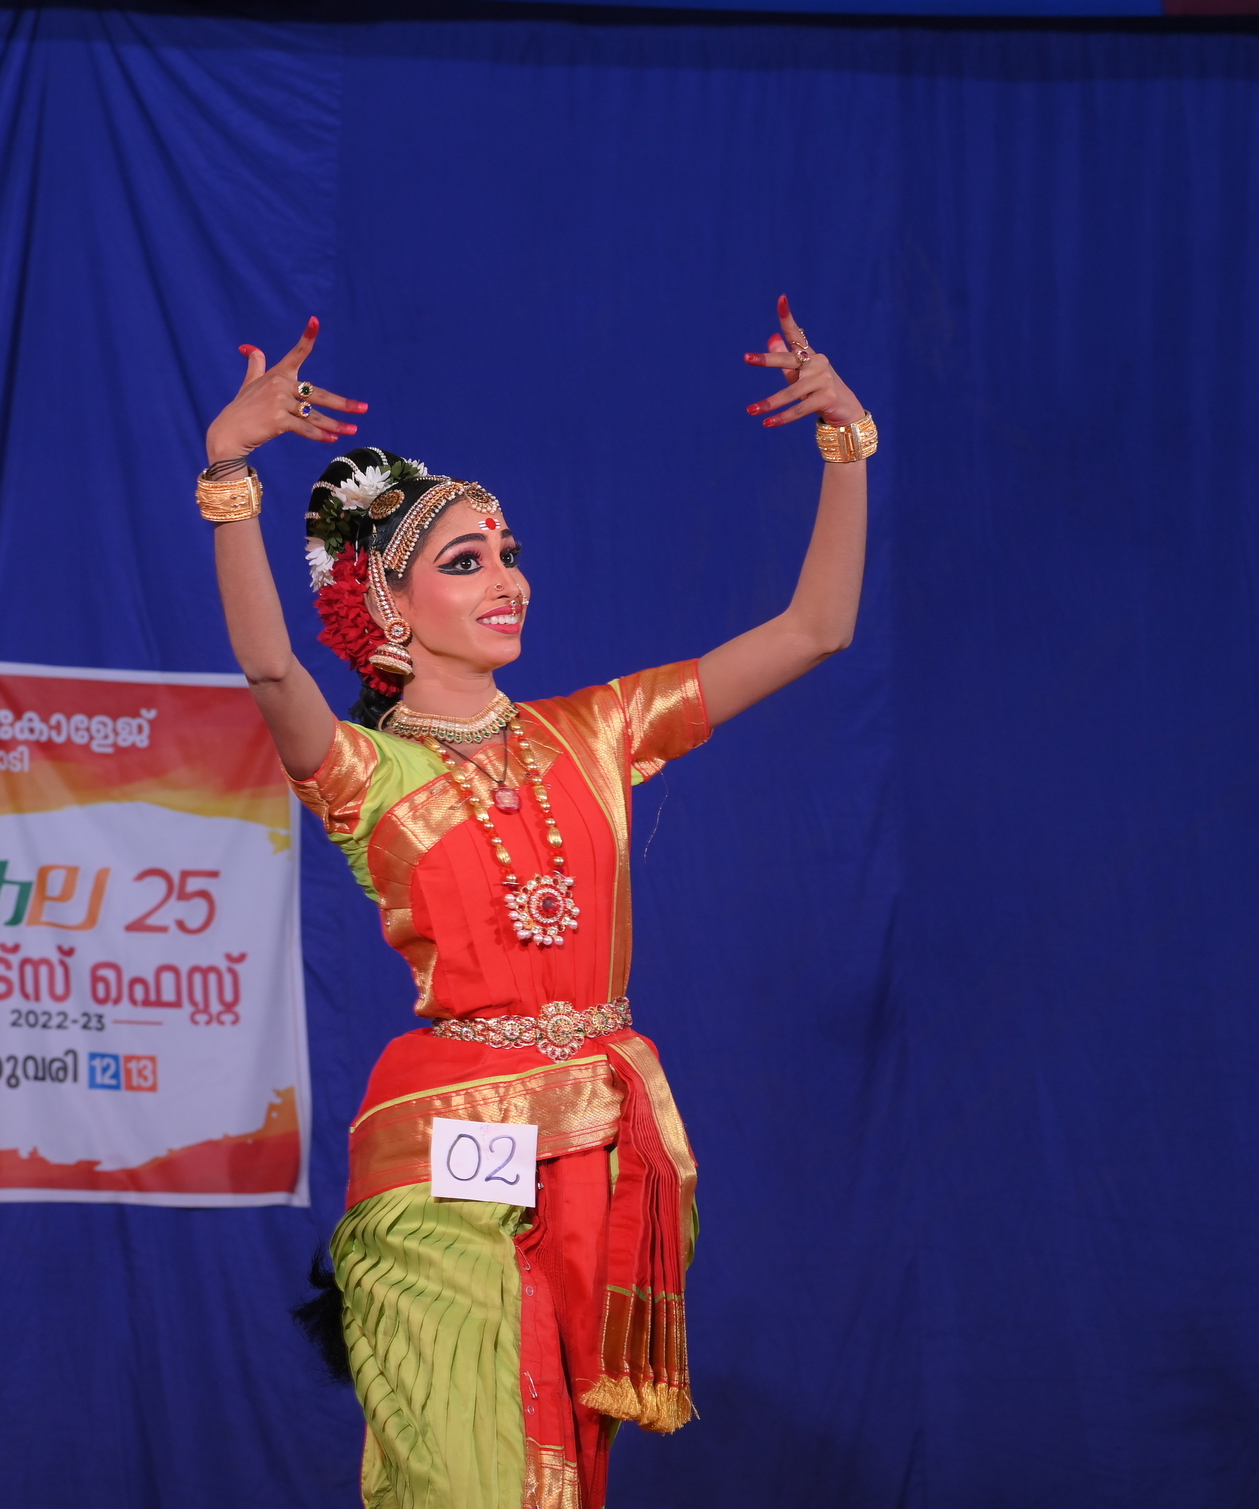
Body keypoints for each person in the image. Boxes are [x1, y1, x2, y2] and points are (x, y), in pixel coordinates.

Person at [197, 301, 871, 1509]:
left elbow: (817, 630)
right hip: (449, 1144)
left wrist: (847, 445)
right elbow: (267, 668)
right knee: (463, 1461)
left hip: (599, 1140)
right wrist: (229, 478)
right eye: (467, 562)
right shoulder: (363, 773)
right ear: (391, 607)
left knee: (560, 1475)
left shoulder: (596, 732)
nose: (507, 580)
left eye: (508, 553)